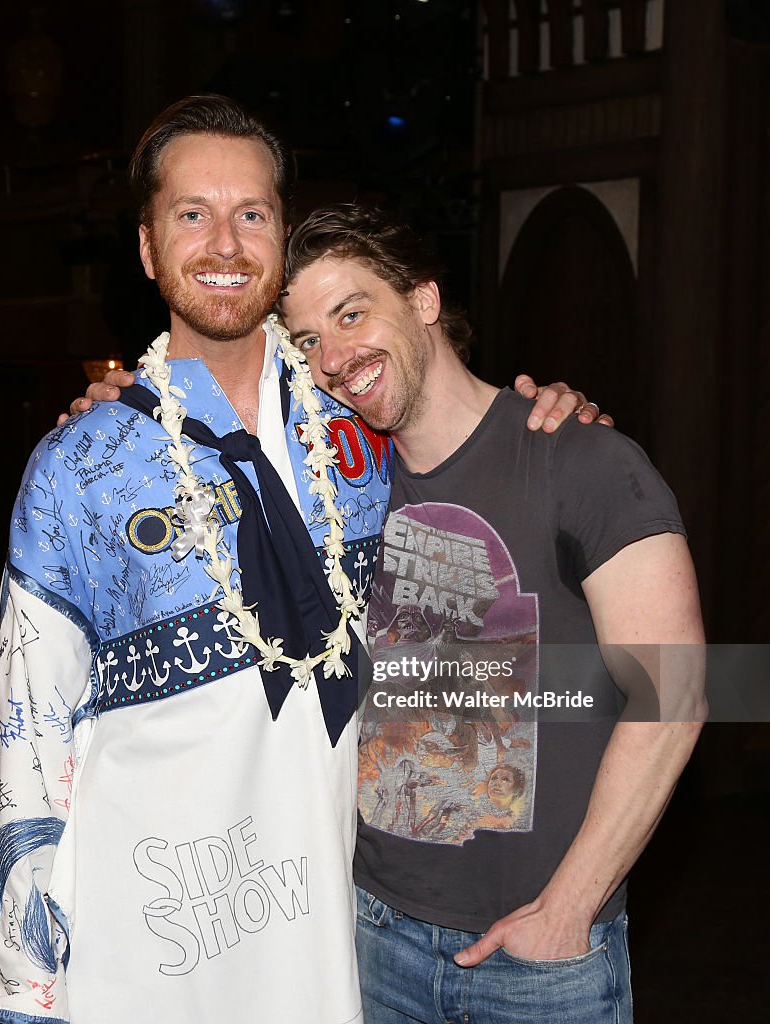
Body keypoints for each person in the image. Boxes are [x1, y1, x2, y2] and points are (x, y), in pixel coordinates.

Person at [0, 95, 602, 1024]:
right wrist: (25, 970)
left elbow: (464, 423)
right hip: (149, 932)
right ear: (150, 249)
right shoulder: (81, 469)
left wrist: (550, 414)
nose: (224, 244)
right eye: (191, 214)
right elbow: (24, 734)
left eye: (252, 215)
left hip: (333, 921)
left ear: (281, 241)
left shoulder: (360, 422)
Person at [275, 204, 706, 1024]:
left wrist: (568, 909)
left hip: (541, 964)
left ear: (424, 301)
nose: (332, 358)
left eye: (352, 313)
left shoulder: (581, 457)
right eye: (305, 342)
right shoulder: (336, 491)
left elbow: (676, 695)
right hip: (368, 937)